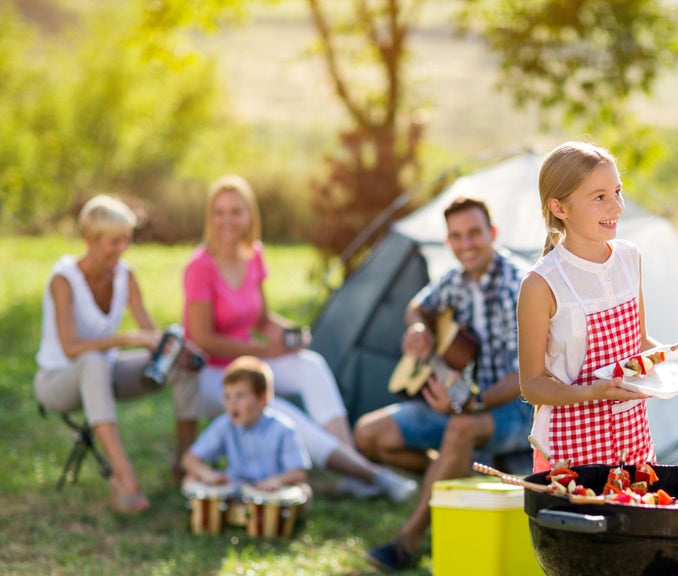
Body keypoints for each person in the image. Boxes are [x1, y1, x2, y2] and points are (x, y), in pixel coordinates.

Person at [183, 175, 414, 504]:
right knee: (274, 408)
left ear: (250, 216)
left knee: (310, 365)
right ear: (210, 217)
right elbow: (203, 338)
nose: (227, 220)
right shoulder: (200, 267)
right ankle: (370, 474)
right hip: (213, 376)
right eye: (219, 212)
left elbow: (262, 318)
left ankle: (352, 465)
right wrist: (265, 350)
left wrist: (290, 336)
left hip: (251, 363)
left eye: (236, 211)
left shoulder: (254, 255)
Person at [355, 196, 533, 572]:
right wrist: (419, 326)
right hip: (459, 404)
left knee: (460, 426)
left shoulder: (521, 285)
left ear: (493, 234)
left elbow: (524, 377)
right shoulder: (454, 281)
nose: (465, 244)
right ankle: (456, 474)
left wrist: (472, 402)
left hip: (516, 409)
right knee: (368, 434)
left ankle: (409, 540)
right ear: (448, 241)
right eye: (456, 236)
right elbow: (418, 306)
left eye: (474, 234)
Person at [34, 194, 200, 514]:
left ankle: (185, 461)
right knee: (92, 361)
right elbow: (71, 349)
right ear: (89, 240)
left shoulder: (126, 274)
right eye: (114, 241)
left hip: (104, 375)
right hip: (57, 381)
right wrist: (125, 338)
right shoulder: (63, 279)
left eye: (127, 239)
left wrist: (175, 347)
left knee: (181, 368)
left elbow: (149, 333)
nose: (122, 248)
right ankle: (125, 480)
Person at [518, 141, 656, 471]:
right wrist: (593, 392)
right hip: (568, 453)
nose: (617, 207)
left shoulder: (629, 257)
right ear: (560, 208)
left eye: (618, 192)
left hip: (632, 439)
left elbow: (640, 345)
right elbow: (532, 385)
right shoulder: (541, 284)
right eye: (600, 197)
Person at [181, 356, 312, 506]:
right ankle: (218, 516)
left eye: (240, 396)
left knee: (304, 492)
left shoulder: (284, 429)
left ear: (262, 399)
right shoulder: (224, 425)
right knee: (190, 479)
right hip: (236, 489)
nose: (232, 403)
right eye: (227, 396)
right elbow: (189, 459)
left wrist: (277, 480)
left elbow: (298, 473)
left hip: (270, 492)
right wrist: (207, 474)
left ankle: (266, 520)